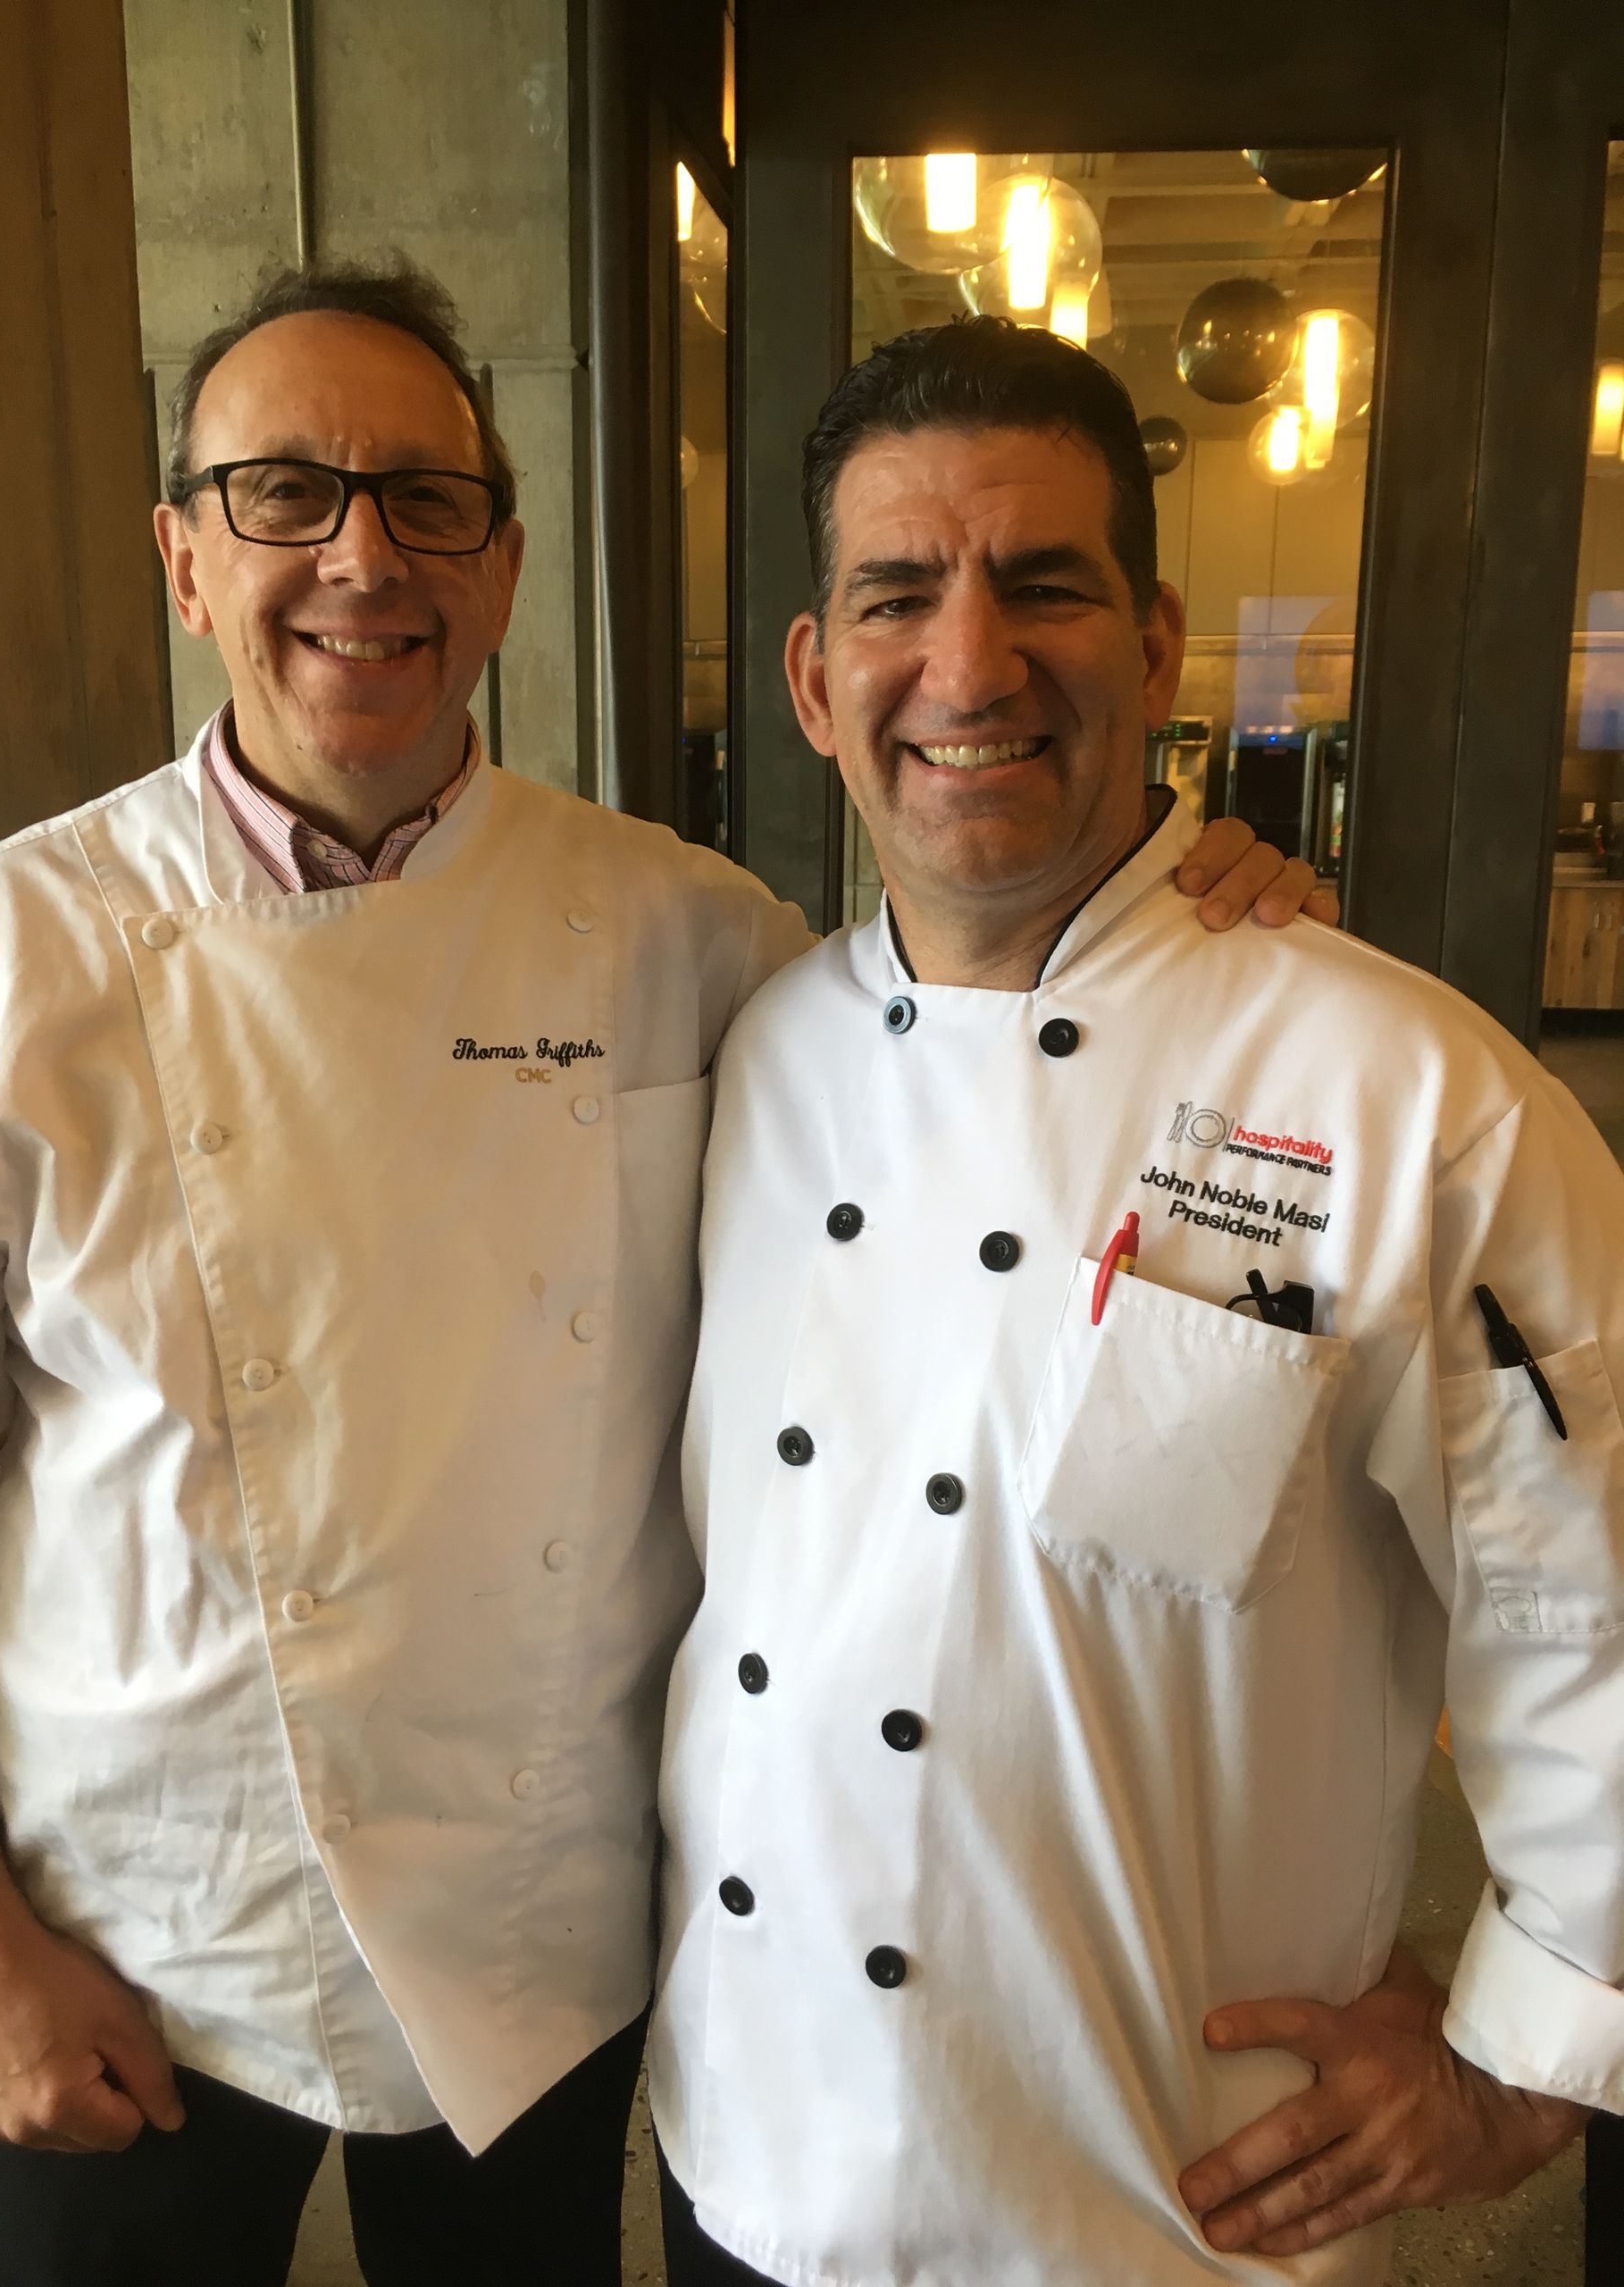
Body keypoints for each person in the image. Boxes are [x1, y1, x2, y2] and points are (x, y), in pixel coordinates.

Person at [0, 264, 1306, 2287]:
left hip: (543, 1933)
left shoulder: (689, 933)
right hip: (131, 1933)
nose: (363, 556)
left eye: (425, 499)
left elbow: (989, 1029)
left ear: (506, 562)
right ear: (185, 558)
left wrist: (1206, 905)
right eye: (283, 493)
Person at [649, 315, 1624, 2287]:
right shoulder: (755, 1048)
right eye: (898, 596)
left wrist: (1538, 2042)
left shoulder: (1400, 1088)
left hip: (1161, 2193)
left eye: (1045, 588)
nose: (971, 662)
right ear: (815, 681)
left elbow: (1592, 1582)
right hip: (747, 2139)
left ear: (1160, 647)